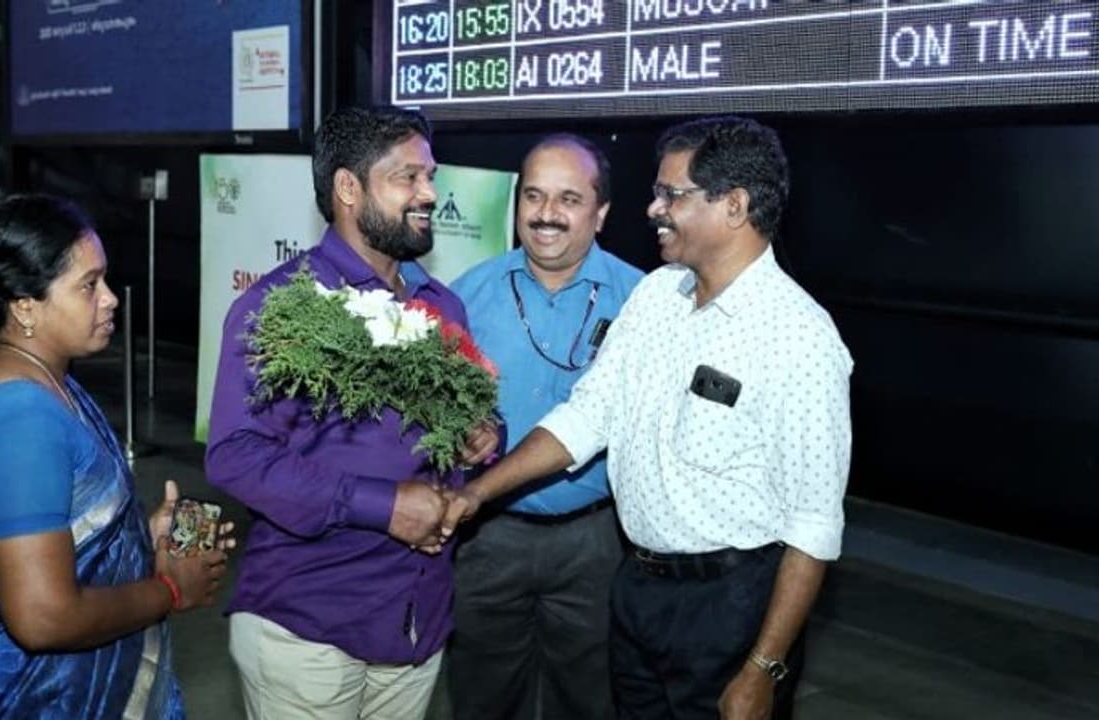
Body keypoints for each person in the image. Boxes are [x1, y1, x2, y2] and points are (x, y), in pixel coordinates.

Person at [441, 116, 853, 720]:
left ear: (734, 206)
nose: (654, 208)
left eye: (671, 195)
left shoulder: (799, 338)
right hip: (636, 591)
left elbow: (813, 527)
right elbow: (587, 417)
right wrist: (476, 493)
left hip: (729, 608)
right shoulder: (657, 296)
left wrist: (763, 668)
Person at [205, 106, 497, 720]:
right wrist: (382, 505)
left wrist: (482, 437)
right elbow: (236, 455)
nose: (429, 194)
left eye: (430, 177)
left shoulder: (442, 306)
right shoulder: (280, 308)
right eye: (408, 177)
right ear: (347, 188)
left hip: (417, 623)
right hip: (310, 628)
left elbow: (461, 431)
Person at [0, 194, 231, 719]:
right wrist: (170, 588)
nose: (110, 299)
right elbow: (43, 618)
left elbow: (62, 528)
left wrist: (134, 538)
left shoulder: (47, 382)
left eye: (105, 280)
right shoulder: (19, 418)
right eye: (88, 285)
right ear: (25, 307)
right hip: (32, 699)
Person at [447, 134, 643, 720]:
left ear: (601, 213)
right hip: (487, 537)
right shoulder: (467, 295)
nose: (546, 214)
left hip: (597, 543)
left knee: (589, 699)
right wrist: (457, 433)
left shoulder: (643, 300)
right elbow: (433, 413)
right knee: (483, 697)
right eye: (533, 196)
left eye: (568, 199)